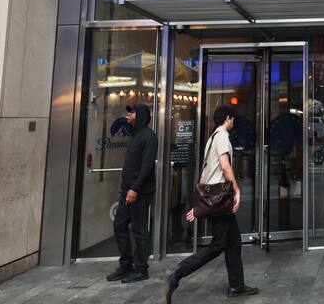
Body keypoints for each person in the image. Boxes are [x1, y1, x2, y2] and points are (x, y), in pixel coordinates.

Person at [165, 105, 258, 302]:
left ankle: (237, 285)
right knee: (218, 244)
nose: (233, 122)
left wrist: (199, 203)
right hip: (220, 199)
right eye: (232, 119)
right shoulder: (222, 135)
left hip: (214, 199)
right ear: (228, 118)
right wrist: (236, 189)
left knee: (233, 242)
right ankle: (178, 273)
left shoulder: (212, 138)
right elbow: (225, 166)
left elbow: (204, 173)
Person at [107, 102, 157, 283]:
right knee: (119, 225)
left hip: (139, 192)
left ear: (141, 115)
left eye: (132, 113)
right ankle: (126, 264)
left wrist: (135, 188)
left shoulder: (149, 136)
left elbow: (147, 165)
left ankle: (141, 268)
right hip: (127, 190)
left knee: (139, 229)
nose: (128, 116)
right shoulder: (135, 135)